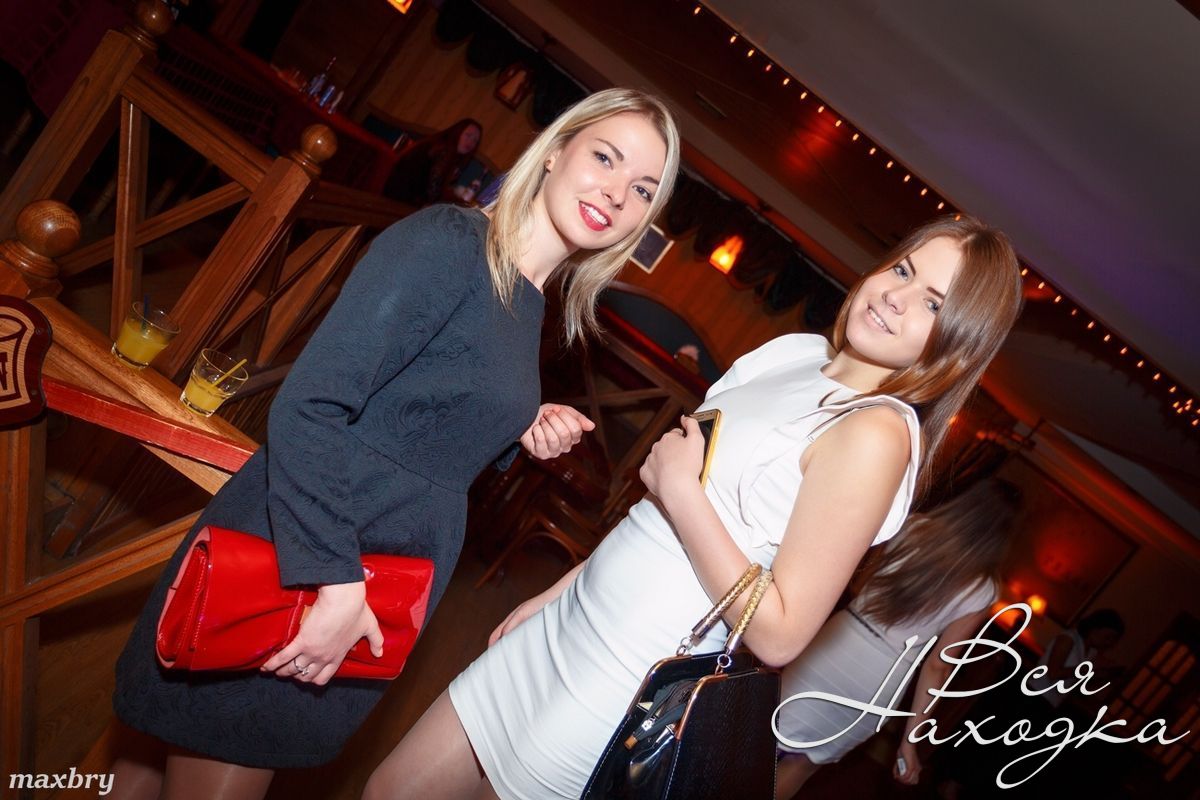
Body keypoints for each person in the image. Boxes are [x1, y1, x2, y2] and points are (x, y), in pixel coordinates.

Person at [108, 88, 681, 800]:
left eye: (642, 189)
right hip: (315, 552)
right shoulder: (450, 241)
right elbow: (312, 405)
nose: (617, 193)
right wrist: (335, 579)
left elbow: (426, 399)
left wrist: (516, 427)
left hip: (372, 565)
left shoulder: (529, 296)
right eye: (605, 157)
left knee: (148, 763)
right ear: (556, 151)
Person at [364, 214, 1025, 800]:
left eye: (932, 303)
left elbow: (781, 632)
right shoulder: (795, 355)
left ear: (955, 344)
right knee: (388, 788)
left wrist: (681, 493)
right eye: (903, 269)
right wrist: (559, 593)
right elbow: (655, 522)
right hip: (572, 619)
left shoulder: (876, 432)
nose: (896, 297)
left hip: (621, 679)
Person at [772, 477, 1022, 798]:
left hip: (839, 640)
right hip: (881, 679)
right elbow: (939, 666)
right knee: (803, 764)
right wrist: (909, 742)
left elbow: (861, 583)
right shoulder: (984, 589)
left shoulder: (914, 528)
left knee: (761, 728)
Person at [383, 118, 484, 206]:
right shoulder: (443, 151)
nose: (470, 142)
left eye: (475, 141)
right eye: (468, 135)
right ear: (458, 132)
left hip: (394, 195)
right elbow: (433, 190)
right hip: (398, 201)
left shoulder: (440, 145)